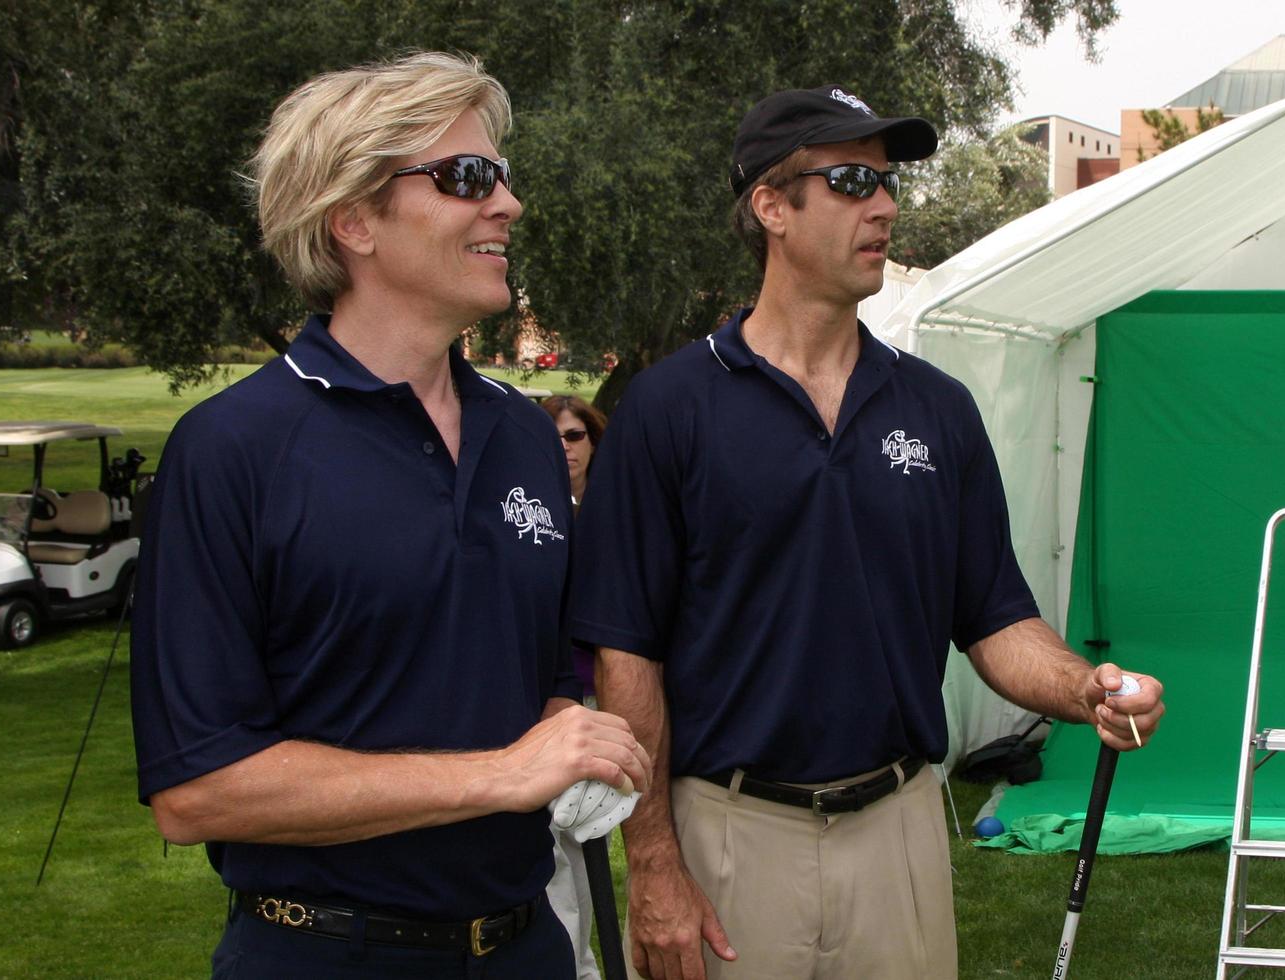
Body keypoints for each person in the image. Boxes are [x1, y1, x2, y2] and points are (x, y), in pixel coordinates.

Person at [568, 85, 1165, 980]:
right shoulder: (668, 409)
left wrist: (1087, 690)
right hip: (730, 833)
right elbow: (626, 654)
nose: (883, 205)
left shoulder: (939, 409)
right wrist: (653, 864)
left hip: (901, 831)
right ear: (771, 206)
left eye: (887, 184)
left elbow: (996, 618)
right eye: (851, 181)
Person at [129, 52, 649, 979]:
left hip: (527, 945)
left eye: (501, 176)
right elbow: (198, 790)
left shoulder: (525, 438)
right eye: (466, 177)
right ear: (355, 219)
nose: (508, 204)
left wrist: (570, 729)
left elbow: (518, 689)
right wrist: (500, 774)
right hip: (322, 953)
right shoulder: (233, 450)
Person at [538, 394, 609, 978]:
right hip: (559, 702)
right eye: (554, 438)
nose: (565, 448)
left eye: (575, 436)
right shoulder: (537, 518)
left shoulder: (614, 513)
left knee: (590, 845)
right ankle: (576, 965)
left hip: (615, 701)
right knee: (559, 842)